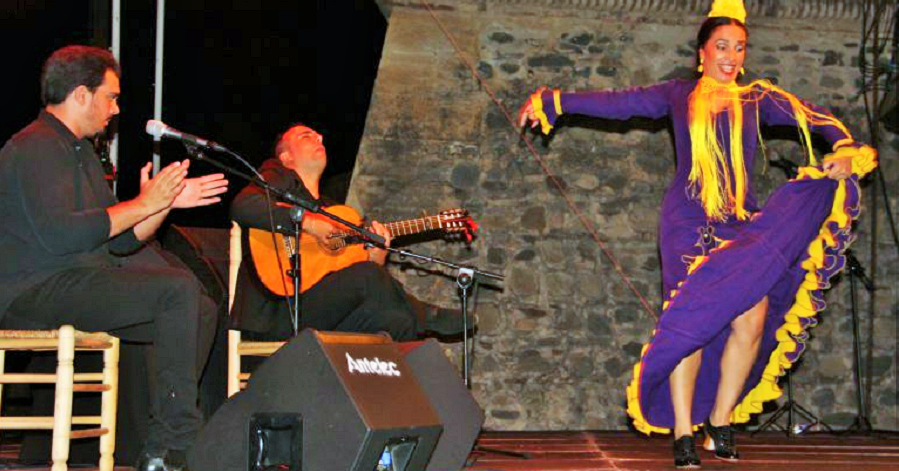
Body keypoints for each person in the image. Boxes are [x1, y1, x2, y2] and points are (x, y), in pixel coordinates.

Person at [519, 0, 877, 468]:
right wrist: (556, 101)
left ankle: (721, 420)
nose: (731, 56)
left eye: (739, 47)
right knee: (691, 322)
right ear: (701, 54)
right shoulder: (677, 94)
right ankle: (684, 431)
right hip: (687, 223)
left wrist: (846, 147)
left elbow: (817, 118)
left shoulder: (758, 98)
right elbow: (618, 103)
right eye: (721, 46)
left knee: (752, 319)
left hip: (738, 223)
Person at [0, 45, 229, 471]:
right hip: (32, 290)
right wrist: (143, 204)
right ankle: (173, 445)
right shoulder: (33, 146)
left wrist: (163, 206)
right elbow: (60, 233)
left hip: (77, 281)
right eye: (112, 96)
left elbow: (119, 243)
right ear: (81, 94)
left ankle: (158, 439)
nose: (116, 108)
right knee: (176, 289)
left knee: (198, 308)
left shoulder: (81, 152)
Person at [229, 124, 470, 342]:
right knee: (367, 277)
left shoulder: (336, 213)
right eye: (306, 136)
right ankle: (428, 315)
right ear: (286, 157)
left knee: (397, 320)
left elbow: (355, 276)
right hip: (279, 310)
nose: (319, 138)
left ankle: (380, 388)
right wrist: (308, 223)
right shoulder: (278, 176)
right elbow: (243, 205)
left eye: (319, 135)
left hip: (325, 315)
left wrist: (377, 256)